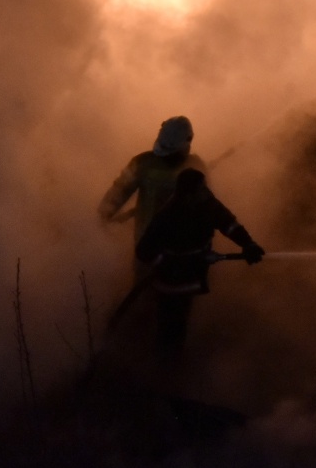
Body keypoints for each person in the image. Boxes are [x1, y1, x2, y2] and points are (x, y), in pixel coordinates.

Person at [132, 168, 264, 351]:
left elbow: (228, 224)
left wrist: (248, 244)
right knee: (170, 327)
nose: (206, 192)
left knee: (181, 321)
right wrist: (171, 263)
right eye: (201, 189)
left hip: (192, 275)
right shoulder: (168, 216)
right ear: (188, 195)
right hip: (171, 283)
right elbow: (144, 250)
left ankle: (173, 357)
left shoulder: (207, 203)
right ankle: (165, 364)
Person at [98, 116, 204, 262]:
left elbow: (117, 194)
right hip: (174, 247)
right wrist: (102, 217)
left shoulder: (142, 163)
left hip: (154, 245)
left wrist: (101, 218)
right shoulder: (195, 165)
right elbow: (117, 194)